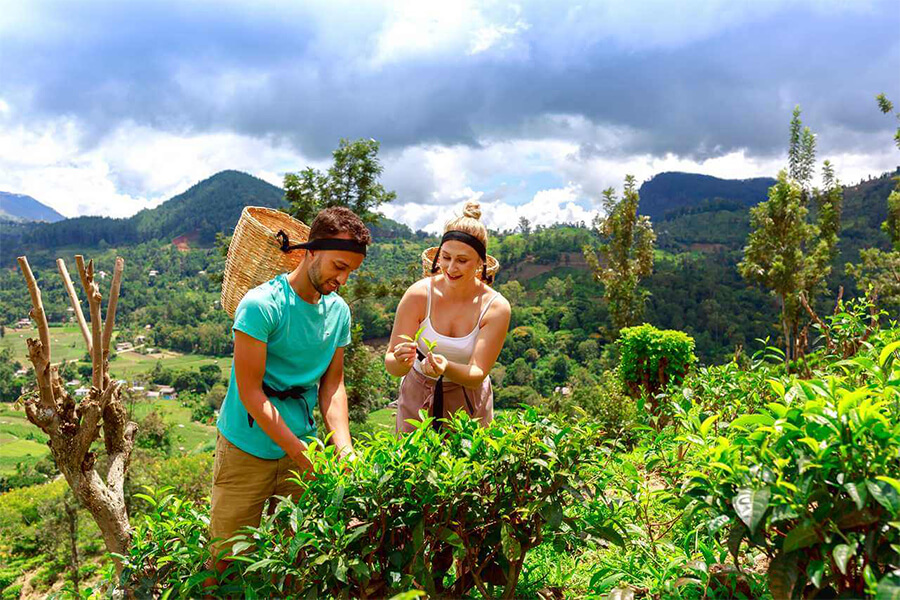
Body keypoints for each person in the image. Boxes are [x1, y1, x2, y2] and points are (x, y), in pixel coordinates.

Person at [208, 206, 370, 569]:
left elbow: (333, 386)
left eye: (351, 272)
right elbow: (251, 392)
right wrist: (300, 454)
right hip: (246, 447)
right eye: (338, 267)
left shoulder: (339, 312)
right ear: (312, 251)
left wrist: (343, 449)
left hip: (302, 441)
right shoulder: (261, 305)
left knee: (298, 560)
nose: (342, 280)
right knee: (226, 561)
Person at [385, 201, 511, 433]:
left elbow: (476, 374)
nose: (451, 267)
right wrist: (401, 361)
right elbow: (392, 364)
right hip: (417, 395)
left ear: (480, 263)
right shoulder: (418, 295)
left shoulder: (496, 308)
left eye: (462, 260)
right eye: (446, 257)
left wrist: (445, 367)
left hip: (469, 399)